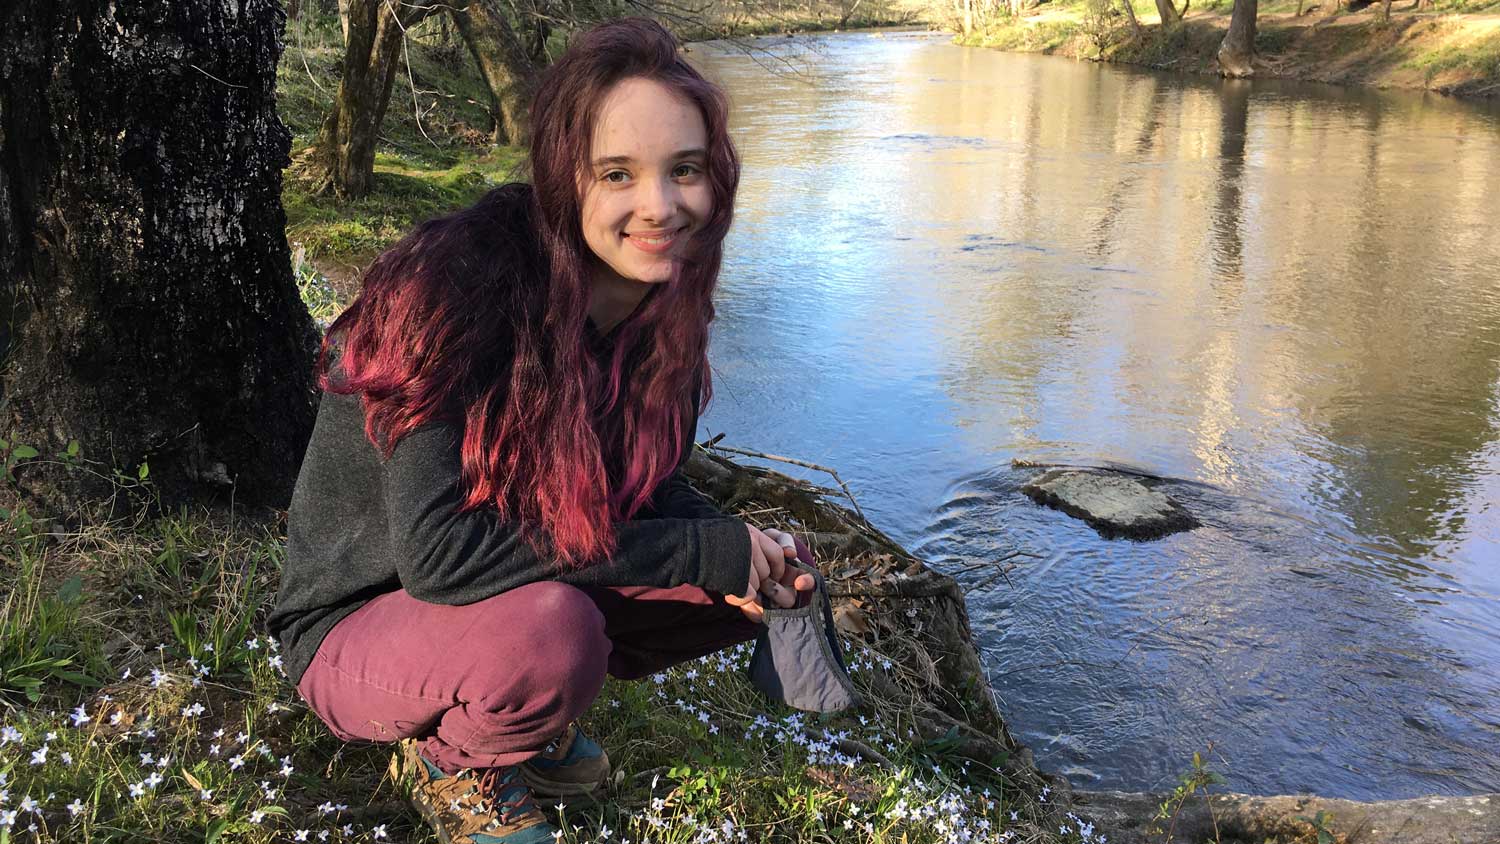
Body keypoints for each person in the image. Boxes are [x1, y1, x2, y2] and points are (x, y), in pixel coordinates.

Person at [266, 16, 819, 844]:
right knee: (555, 634)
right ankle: (457, 759)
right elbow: (441, 554)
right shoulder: (457, 293)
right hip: (364, 621)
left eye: (686, 171)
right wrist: (695, 549)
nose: (660, 206)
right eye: (618, 174)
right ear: (567, 178)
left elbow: (644, 481)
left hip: (501, 581)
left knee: (765, 572)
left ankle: (519, 707)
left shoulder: (654, 310)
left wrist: (728, 540)